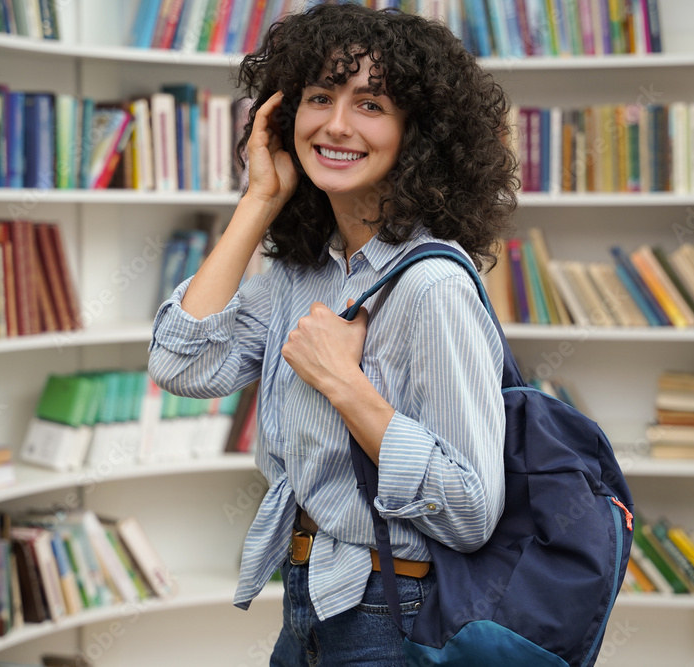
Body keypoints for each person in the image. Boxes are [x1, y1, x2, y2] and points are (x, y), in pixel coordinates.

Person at [148, 3, 518, 664]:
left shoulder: (433, 289)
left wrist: (347, 386)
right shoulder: (304, 273)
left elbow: (469, 510)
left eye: (371, 104)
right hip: (308, 591)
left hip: (392, 610)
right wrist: (259, 199)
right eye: (320, 97)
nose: (338, 124)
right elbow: (182, 364)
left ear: (419, 134)